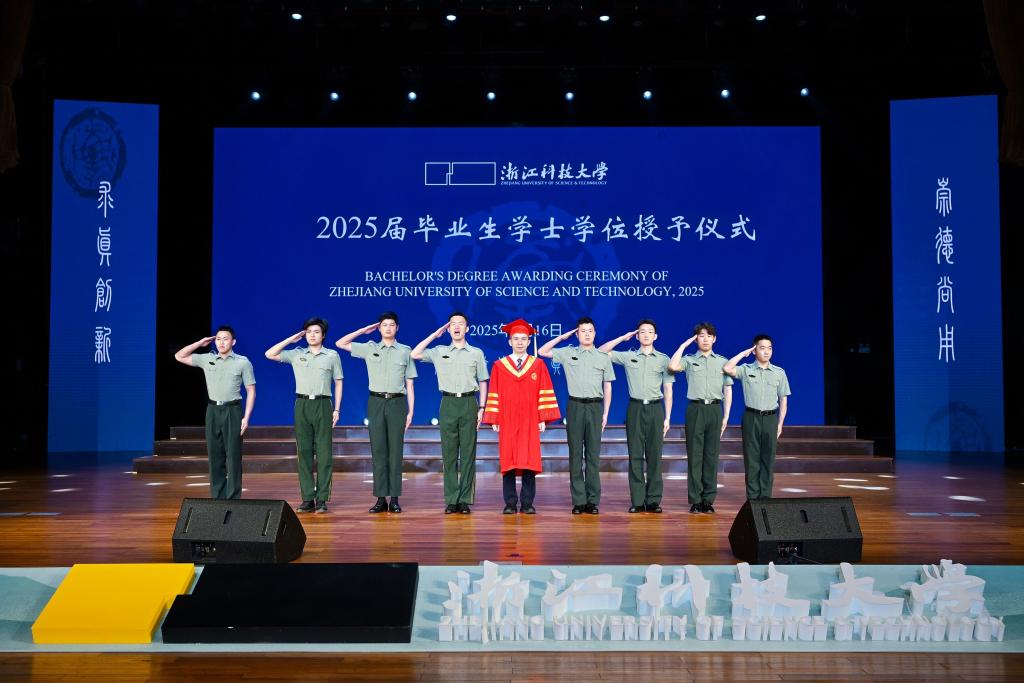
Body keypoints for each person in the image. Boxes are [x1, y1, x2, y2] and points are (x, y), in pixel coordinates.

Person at [336, 312, 416, 513]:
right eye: (384, 325)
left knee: (396, 451)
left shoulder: (405, 351)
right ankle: (381, 498)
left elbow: (410, 384)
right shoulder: (369, 348)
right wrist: (363, 331)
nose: (388, 328)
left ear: (397, 328)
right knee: (378, 450)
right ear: (379, 328)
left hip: (397, 403)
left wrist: (411, 412)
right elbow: (340, 343)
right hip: (376, 402)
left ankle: (394, 499)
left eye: (391, 325)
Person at [411, 312, 489, 514]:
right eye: (452, 324)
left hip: (469, 403)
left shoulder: (476, 353)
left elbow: (483, 381)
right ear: (448, 328)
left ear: (467, 328)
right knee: (449, 454)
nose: (456, 326)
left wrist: (482, 408)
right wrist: (434, 335)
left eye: (460, 323)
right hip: (447, 403)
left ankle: (465, 499)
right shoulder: (439, 351)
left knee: (468, 454)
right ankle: (452, 499)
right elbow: (415, 354)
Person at [482, 319, 561, 514]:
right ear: (509, 341)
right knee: (508, 459)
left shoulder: (538, 365)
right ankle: (510, 503)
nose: (519, 342)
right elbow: (494, 392)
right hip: (507, 419)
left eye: (523, 339)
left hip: (530, 419)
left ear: (528, 341)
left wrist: (542, 418)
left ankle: (527, 503)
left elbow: (544, 390)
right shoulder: (500, 366)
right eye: (516, 338)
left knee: (529, 459)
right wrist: (494, 418)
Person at [265, 318, 343, 514]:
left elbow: (339, 382)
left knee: (324, 454)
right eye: (308, 332)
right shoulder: (296, 354)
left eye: (316, 332)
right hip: (302, 404)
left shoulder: (332, 355)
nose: (312, 335)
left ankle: (322, 498)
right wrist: (291, 339)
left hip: (323, 404)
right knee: (305, 453)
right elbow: (269, 354)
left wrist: (337, 410)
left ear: (323, 335)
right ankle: (308, 498)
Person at [538, 317, 614, 515]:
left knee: (593, 455)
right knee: (575, 454)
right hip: (575, 406)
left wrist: (606, 413)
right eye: (582, 331)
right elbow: (542, 351)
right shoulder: (568, 352)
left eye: (590, 331)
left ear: (595, 333)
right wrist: (563, 337)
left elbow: (607, 386)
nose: (587, 334)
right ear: (577, 334)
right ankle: (579, 501)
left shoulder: (603, 357)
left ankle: (592, 501)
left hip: (595, 407)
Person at [598, 320, 674, 513]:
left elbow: (668, 389)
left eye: (650, 331)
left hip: (656, 409)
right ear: (637, 336)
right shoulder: (628, 356)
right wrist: (623, 338)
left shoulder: (664, 359)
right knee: (636, 455)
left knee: (655, 455)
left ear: (655, 336)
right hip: (635, 408)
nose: (646, 335)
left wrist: (667, 417)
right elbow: (601, 351)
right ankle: (638, 500)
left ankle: (654, 500)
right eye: (642, 332)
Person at [174, 326, 255, 500]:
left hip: (233, 410)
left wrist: (246, 417)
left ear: (233, 342)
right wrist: (199, 343)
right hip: (212, 410)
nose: (221, 342)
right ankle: (217, 497)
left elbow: (251, 390)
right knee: (215, 455)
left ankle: (233, 498)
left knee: (233, 456)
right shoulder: (207, 358)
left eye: (225, 339)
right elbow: (179, 356)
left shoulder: (243, 362)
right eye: (218, 339)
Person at [668, 322, 733, 514]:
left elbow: (728, 389)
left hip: (715, 409)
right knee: (695, 455)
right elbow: (672, 366)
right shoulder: (689, 360)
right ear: (696, 339)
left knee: (711, 456)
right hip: (695, 409)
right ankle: (695, 500)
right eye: (701, 336)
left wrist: (726, 416)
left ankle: (708, 500)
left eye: (709, 335)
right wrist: (684, 345)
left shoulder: (722, 361)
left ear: (714, 339)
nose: (705, 339)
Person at [724, 334, 791, 500]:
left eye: (769, 348)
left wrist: (780, 424)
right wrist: (743, 354)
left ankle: (765, 497)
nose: (766, 352)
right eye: (762, 348)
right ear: (754, 350)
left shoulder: (779, 373)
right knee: (751, 458)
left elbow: (783, 400)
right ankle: (753, 498)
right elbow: (727, 368)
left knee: (768, 459)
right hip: (751, 417)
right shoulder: (746, 369)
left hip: (770, 418)